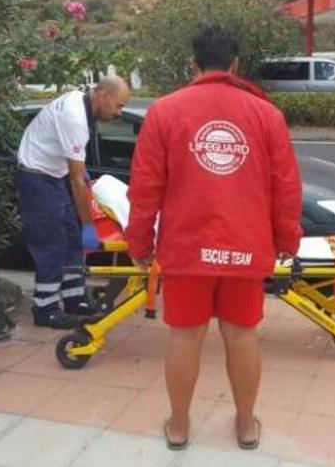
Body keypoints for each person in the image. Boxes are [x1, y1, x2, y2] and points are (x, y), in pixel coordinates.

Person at [125, 25, 302, 451]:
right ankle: (245, 423)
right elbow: (287, 185)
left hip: (186, 248)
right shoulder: (266, 114)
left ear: (193, 64)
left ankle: (180, 424)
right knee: (242, 334)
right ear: (236, 65)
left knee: (185, 336)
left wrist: (139, 244)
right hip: (246, 245)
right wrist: (287, 239)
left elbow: (145, 186)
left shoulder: (164, 111)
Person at [15, 76, 131, 329]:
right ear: (103, 96)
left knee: (71, 240)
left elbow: (74, 164)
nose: (119, 112)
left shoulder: (80, 105)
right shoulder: (76, 117)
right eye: (119, 105)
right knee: (52, 244)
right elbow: (77, 179)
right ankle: (45, 308)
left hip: (52, 175)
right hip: (38, 179)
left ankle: (74, 299)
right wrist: (89, 225)